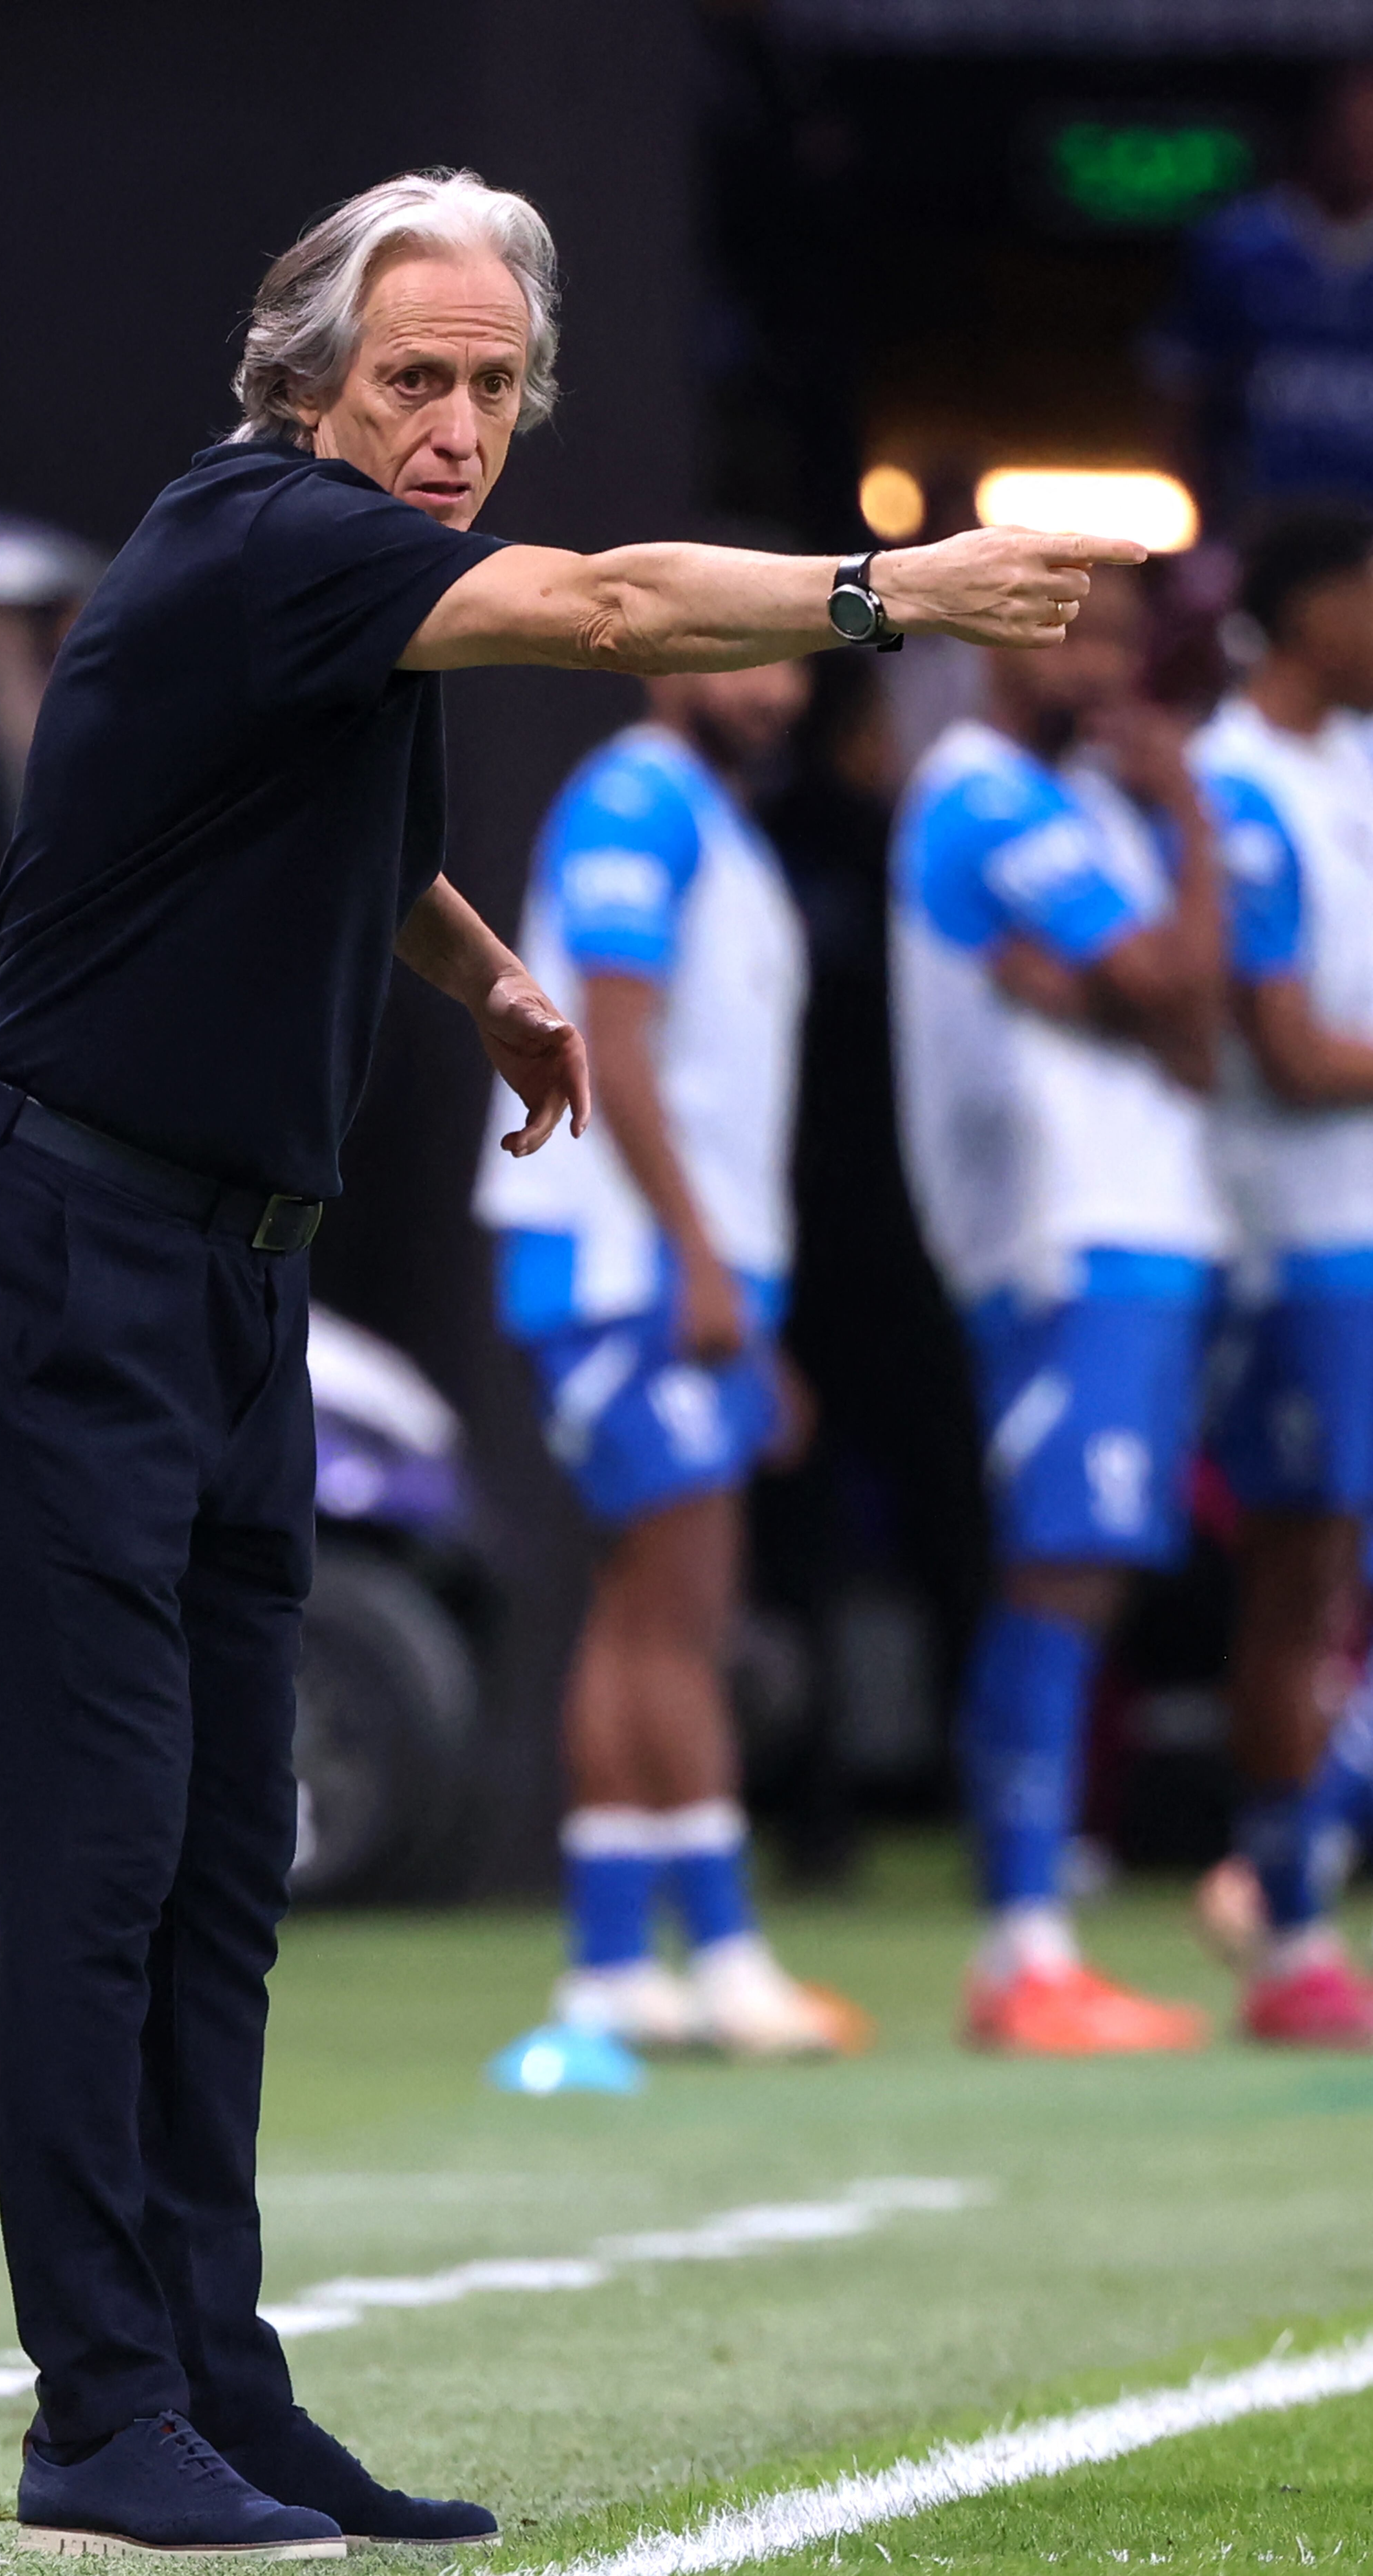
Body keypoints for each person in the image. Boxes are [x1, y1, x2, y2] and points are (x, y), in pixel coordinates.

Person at [0, 165, 1136, 2560]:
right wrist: (902, 591)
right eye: (412, 378)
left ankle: (216, 2390)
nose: (455, 423)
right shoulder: (274, 534)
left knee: (228, 1849)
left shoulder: (333, 588)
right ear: (306, 382)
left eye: (486, 385)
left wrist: (484, 982)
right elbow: (617, 603)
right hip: (61, 1244)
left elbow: (324, 827)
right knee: (111, 1845)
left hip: (228, 1259)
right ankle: (97, 2405)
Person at [474, 657, 877, 2056]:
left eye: (785, 668)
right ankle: (713, 1949)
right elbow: (613, 1044)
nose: (768, 691)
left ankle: (611, 1956)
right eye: (738, 658)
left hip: (680, 1262)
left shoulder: (710, 821)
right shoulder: (637, 798)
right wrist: (697, 1258)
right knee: (677, 1604)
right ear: (662, 662)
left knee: (653, 1600)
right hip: (623, 1258)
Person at [891, 567, 1229, 2053]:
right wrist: (1194, 840)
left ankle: (1034, 1936)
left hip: (1137, 1225)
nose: (1098, 669)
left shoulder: (1087, 808)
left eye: (1116, 642)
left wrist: (1141, 992)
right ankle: (1017, 1946)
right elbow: (1166, 978)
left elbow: (1195, 1019)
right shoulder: (982, 795)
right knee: (1057, 1571)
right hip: (1056, 1232)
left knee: (1086, 1573)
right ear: (985, 644)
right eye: (1065, 634)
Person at [1190, 503, 1373, 2044]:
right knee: (1301, 1575)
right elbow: (1291, 1049)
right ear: (1309, 610)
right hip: (1293, 1237)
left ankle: (1283, 1873)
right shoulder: (1233, 783)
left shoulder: (1352, 765)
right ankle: (1287, 1912)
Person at [1150, 63, 1373, 529]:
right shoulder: (1237, 244)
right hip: (1258, 522)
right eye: (1352, 129)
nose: (1361, 148)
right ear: (1321, 131)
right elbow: (1178, 388)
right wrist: (1208, 518)